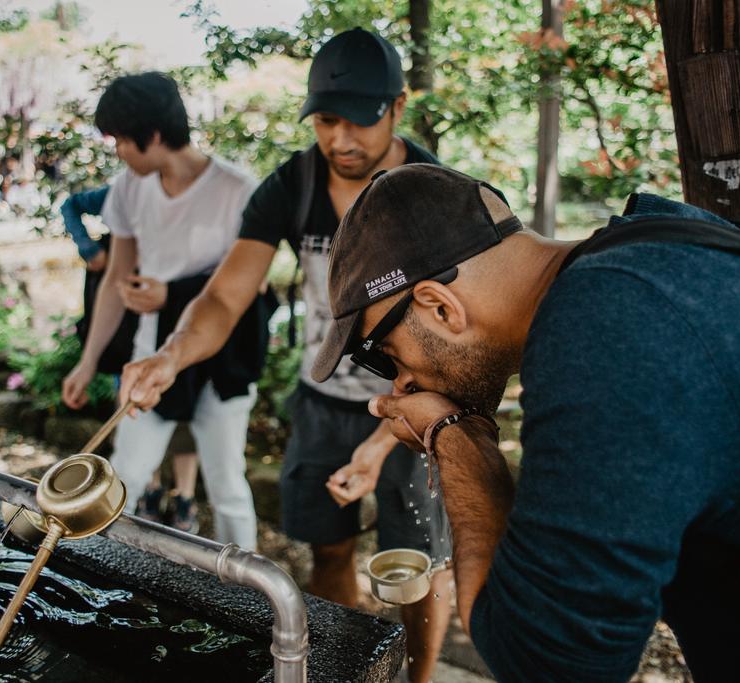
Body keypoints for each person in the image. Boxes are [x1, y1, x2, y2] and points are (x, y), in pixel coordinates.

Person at [312, 163, 740, 681]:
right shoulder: (650, 247)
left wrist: (454, 435)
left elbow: (546, 663)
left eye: (383, 355)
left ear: (439, 307)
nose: (398, 386)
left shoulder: (607, 332)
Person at [117, 29, 453, 683]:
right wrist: (172, 355)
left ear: (398, 108)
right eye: (328, 120)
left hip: (417, 407)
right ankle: (350, 671)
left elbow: (456, 346)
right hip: (324, 400)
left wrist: (386, 438)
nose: (342, 139)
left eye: (362, 120)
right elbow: (224, 299)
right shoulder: (292, 186)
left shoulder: (435, 194)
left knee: (415, 574)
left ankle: (416, 679)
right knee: (327, 552)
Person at [61, 72, 261, 549]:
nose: (118, 153)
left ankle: (256, 599)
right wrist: (87, 362)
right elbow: (116, 278)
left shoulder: (238, 190)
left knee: (227, 482)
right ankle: (107, 574)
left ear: (152, 136)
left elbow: (248, 287)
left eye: (121, 141)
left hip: (222, 356)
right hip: (151, 353)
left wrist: (170, 294)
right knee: (125, 472)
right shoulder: (130, 188)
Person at [61, 186, 200, 532]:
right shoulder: (123, 192)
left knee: (185, 415)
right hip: (129, 324)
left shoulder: (197, 195)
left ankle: (184, 496)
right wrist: (90, 249)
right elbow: (71, 205)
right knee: (134, 403)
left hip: (180, 319)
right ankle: (150, 490)